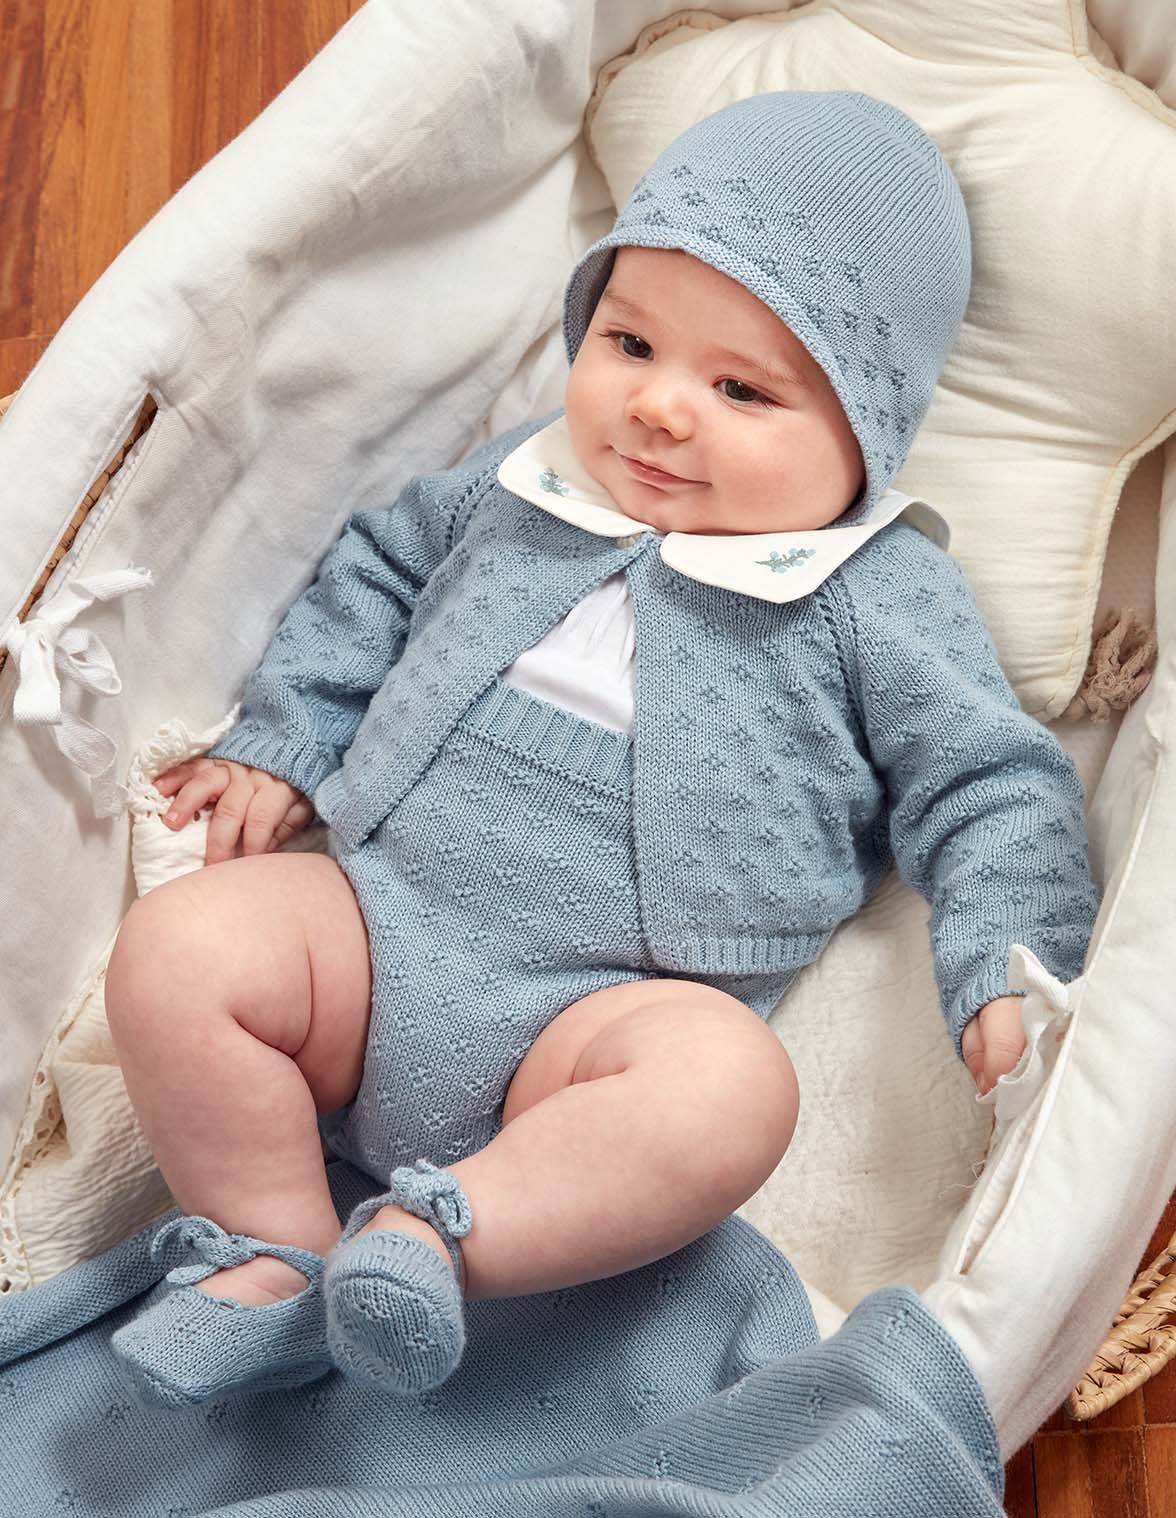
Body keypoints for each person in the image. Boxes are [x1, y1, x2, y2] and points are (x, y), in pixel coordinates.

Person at [102, 91, 1101, 1411]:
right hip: (375, 922)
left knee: (731, 1093)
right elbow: (378, 572)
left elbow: (988, 779)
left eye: (741, 389)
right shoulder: (527, 477)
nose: (660, 409)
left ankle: (432, 1243)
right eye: (630, 343)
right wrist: (288, 743)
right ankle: (274, 1250)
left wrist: (1003, 959)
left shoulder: (875, 589)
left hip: (606, 1012)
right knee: (178, 949)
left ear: (866, 428)